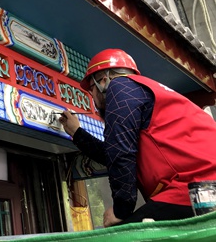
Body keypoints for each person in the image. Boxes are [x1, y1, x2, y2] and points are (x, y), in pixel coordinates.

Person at [59, 48, 216, 227]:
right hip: (201, 188)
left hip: (194, 186)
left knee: (121, 235)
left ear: (103, 81)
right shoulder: (148, 92)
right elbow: (113, 152)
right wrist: (77, 133)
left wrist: (121, 210)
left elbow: (120, 152)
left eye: (91, 89)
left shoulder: (120, 87)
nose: (92, 97)